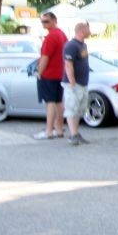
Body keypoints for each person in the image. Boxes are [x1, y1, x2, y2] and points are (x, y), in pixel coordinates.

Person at [34, 12, 68, 140]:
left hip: (49, 74)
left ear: (54, 20)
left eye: (46, 21)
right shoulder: (62, 34)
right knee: (58, 102)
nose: (44, 24)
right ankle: (58, 129)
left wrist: (39, 72)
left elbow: (45, 57)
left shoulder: (51, 37)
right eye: (42, 21)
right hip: (60, 73)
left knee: (50, 102)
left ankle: (49, 130)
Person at [62, 22, 92, 146]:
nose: (90, 31)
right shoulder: (71, 46)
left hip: (83, 83)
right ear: (81, 31)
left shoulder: (83, 45)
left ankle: (75, 133)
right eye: (88, 29)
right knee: (72, 108)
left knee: (79, 109)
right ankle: (73, 135)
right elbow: (68, 64)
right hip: (73, 84)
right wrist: (72, 81)